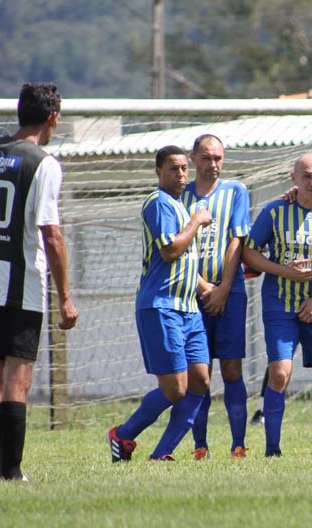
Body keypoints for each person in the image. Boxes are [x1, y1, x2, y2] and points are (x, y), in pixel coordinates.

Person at [0, 82, 79, 480]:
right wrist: (66, 298)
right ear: (53, 118)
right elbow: (51, 234)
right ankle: (14, 472)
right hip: (21, 284)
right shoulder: (43, 163)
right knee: (18, 376)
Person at [108, 145, 213, 462]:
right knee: (175, 389)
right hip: (161, 307)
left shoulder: (181, 207)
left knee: (201, 381)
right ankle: (122, 435)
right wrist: (196, 222)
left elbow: (183, 263)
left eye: (183, 168)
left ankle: (162, 453)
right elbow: (170, 251)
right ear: (158, 171)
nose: (180, 174)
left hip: (188, 309)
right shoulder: (158, 203)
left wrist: (206, 286)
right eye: (173, 169)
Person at [243, 153, 312, 457]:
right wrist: (284, 270)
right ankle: (272, 449)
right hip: (281, 306)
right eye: (306, 176)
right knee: (280, 372)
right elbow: (250, 254)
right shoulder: (275, 211)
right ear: (294, 179)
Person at [180, 134, 251, 459]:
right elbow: (175, 248)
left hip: (231, 292)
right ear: (193, 158)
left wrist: (222, 287)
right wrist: (202, 286)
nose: (213, 164)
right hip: (191, 293)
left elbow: (238, 240)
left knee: (232, 369)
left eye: (219, 158)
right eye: (207, 157)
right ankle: (200, 446)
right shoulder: (179, 197)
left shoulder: (236, 191)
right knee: (199, 371)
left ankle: (238, 444)